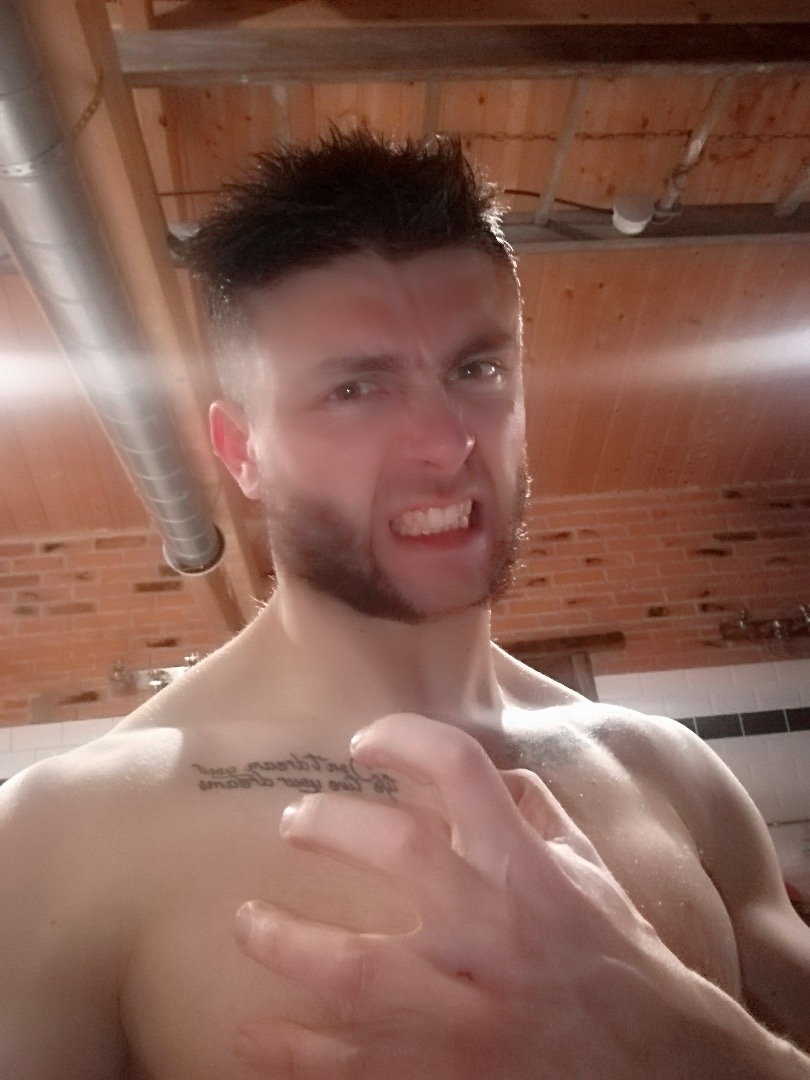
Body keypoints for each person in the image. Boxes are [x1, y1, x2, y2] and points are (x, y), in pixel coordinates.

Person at [1, 128, 809, 1080]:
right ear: (242, 451)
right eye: (355, 388)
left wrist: (692, 1050)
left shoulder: (670, 769)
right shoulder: (64, 838)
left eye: (477, 370)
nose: (445, 442)